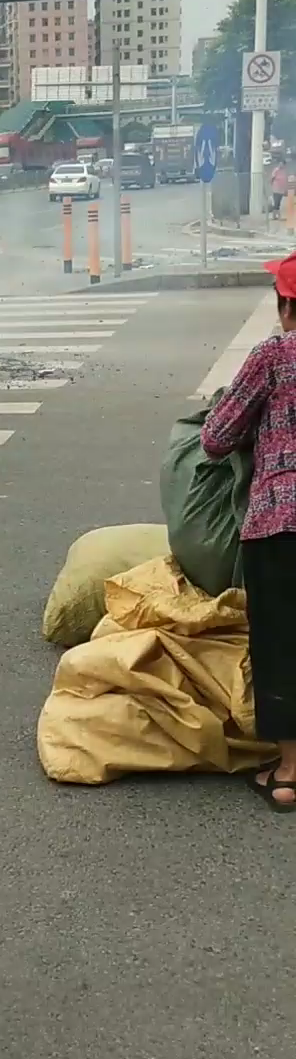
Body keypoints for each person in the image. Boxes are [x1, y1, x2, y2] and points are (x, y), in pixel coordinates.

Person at [201, 251, 296, 810]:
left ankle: (289, 772)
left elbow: (216, 437)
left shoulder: (274, 355)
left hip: (281, 522)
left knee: (282, 642)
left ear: (286, 305)